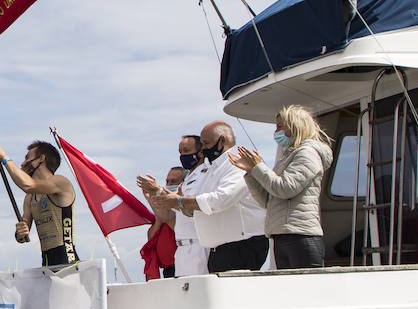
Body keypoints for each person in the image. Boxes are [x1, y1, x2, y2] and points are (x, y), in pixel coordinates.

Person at [141, 120, 267, 272]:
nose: (203, 150)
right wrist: (164, 196)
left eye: (206, 144)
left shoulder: (236, 165)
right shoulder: (213, 170)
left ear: (222, 141)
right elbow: (190, 206)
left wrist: (180, 201)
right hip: (219, 248)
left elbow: (220, 199)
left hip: (241, 245)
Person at [230, 104, 334, 269]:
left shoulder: (307, 153)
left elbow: (285, 189)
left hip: (301, 236)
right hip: (284, 236)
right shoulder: (289, 156)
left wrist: (258, 167)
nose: (275, 131)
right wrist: (250, 172)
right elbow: (268, 200)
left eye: (280, 126)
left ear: (294, 127)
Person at [0, 140, 78, 266]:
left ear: (41, 159)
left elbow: (28, 184)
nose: (23, 163)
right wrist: (20, 233)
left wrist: (4, 158)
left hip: (67, 260)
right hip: (46, 261)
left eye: (27, 158)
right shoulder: (29, 197)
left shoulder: (61, 182)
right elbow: (23, 234)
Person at [140, 166, 185, 279]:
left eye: (174, 181)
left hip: (181, 265)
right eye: (167, 181)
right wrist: (159, 217)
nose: (169, 184)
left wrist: (156, 201)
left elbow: (178, 228)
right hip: (167, 269)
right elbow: (151, 237)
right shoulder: (162, 211)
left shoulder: (183, 207)